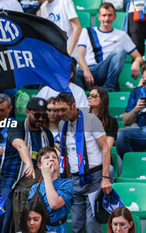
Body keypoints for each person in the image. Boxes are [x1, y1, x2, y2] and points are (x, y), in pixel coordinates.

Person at [55, 93, 112, 233]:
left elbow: (105, 148)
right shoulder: (62, 124)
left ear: (73, 106)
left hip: (95, 176)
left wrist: (105, 177)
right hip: (75, 178)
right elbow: (66, 153)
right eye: (57, 110)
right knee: (76, 224)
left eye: (63, 109)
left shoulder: (91, 119)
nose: (60, 113)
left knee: (92, 224)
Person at [2, 97, 54, 233]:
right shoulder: (16, 127)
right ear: (27, 112)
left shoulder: (47, 134)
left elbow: (49, 159)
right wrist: (28, 163)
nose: (41, 119)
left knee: (33, 222)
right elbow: (20, 146)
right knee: (6, 221)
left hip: (36, 185)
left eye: (44, 115)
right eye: (37, 115)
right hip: (11, 183)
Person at [74, 2, 143, 91]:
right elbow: (80, 57)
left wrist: (137, 62)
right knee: (73, 72)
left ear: (115, 16)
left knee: (120, 51)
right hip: (88, 71)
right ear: (99, 17)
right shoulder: (87, 32)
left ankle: (108, 87)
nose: (106, 19)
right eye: (104, 15)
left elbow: (138, 57)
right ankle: (82, 96)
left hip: (104, 72)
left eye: (110, 15)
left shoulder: (121, 35)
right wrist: (86, 71)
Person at [27, 147, 74, 233]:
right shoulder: (35, 187)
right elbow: (30, 213)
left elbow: (54, 204)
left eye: (54, 157)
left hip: (58, 229)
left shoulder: (66, 183)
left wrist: (47, 176)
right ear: (39, 165)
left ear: (59, 163)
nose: (51, 159)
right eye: (47, 157)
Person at [116, 64, 146, 158]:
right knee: (120, 135)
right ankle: (130, 164)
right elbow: (125, 121)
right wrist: (136, 109)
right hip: (141, 130)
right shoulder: (137, 92)